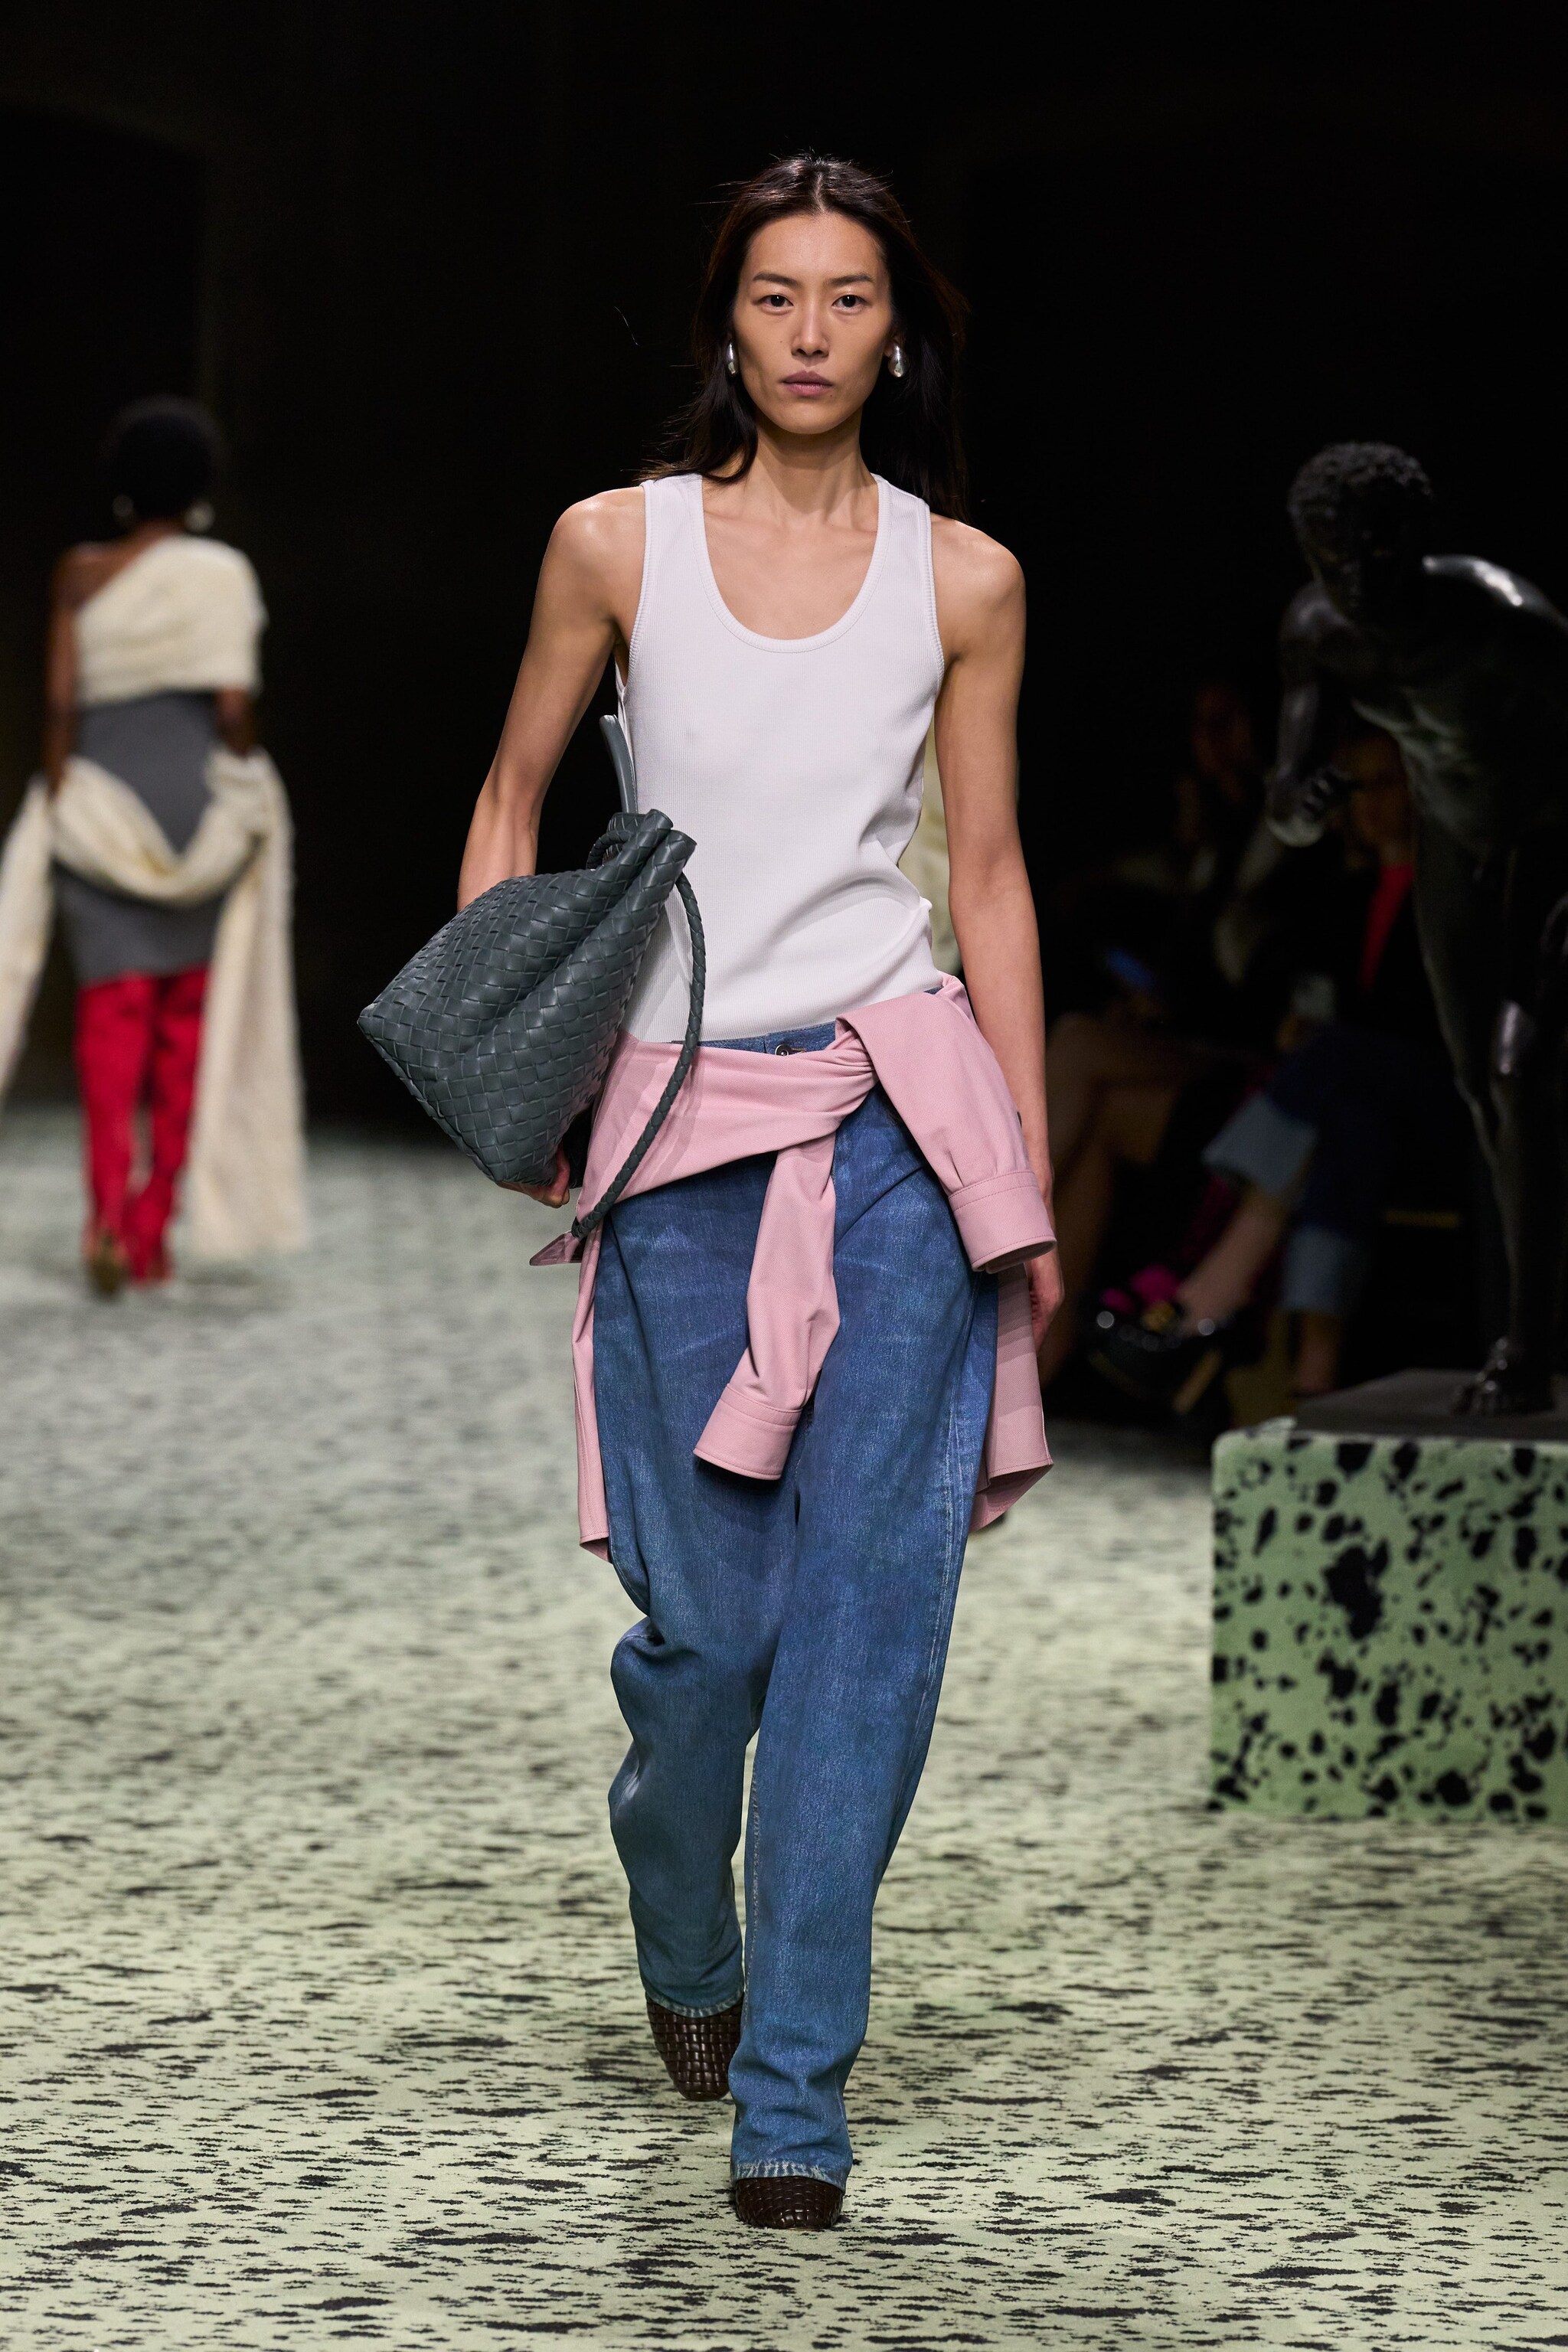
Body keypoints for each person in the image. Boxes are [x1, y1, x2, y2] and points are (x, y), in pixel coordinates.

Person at [457, 155, 1060, 2230]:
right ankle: (683, 1918)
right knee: (713, 1635)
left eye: (851, 297)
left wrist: (1020, 1172)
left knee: (865, 1627)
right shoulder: (614, 544)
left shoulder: (960, 579)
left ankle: (795, 2083)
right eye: (777, 294)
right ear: (728, 321)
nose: (811, 330)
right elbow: (514, 792)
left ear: (898, 335)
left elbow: (988, 876)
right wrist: (510, 1046)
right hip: (676, 1132)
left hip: (897, 1124)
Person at [1267, 440, 1568, 1413]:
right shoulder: (1319, 631)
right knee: (1481, 1086)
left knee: (1519, 1075)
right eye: (1332, 556)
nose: (1355, 578)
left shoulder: (1504, 620)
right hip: (1449, 841)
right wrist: (1300, 806)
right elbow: (1285, 801)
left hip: (1547, 841)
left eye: (1375, 551)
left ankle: (1528, 1349)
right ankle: (1524, 1330)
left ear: (1415, 542)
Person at [0, 397, 305, 1285]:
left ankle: (104, 1216)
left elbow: (60, 706)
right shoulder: (222, 575)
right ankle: (150, 1233)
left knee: (112, 1023)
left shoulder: (79, 574)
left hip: (102, 807)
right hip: (194, 816)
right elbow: (233, 711)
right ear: (202, 483)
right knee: (183, 1033)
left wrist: (63, 797)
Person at [1092, 729, 1462, 1406]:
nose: (1368, 801)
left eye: (1385, 782)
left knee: (1343, 1060)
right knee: (1350, 1125)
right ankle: (1314, 1372)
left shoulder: (1453, 892)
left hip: (1444, 1108)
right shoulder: (1347, 895)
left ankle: (1215, 1285)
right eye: (1356, 786)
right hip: (1357, 1106)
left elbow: (1435, 1025)